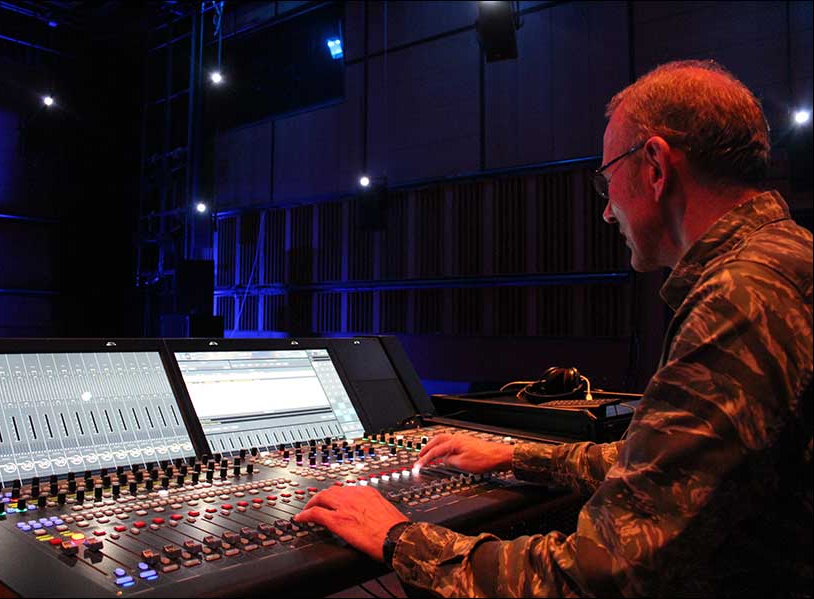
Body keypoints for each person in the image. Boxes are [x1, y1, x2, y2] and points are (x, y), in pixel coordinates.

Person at [295, 60, 813, 597]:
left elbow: (603, 575)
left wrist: (398, 538)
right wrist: (516, 455)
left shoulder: (739, 298)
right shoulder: (782, 262)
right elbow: (668, 471)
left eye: (607, 180)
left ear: (656, 167)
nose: (607, 212)